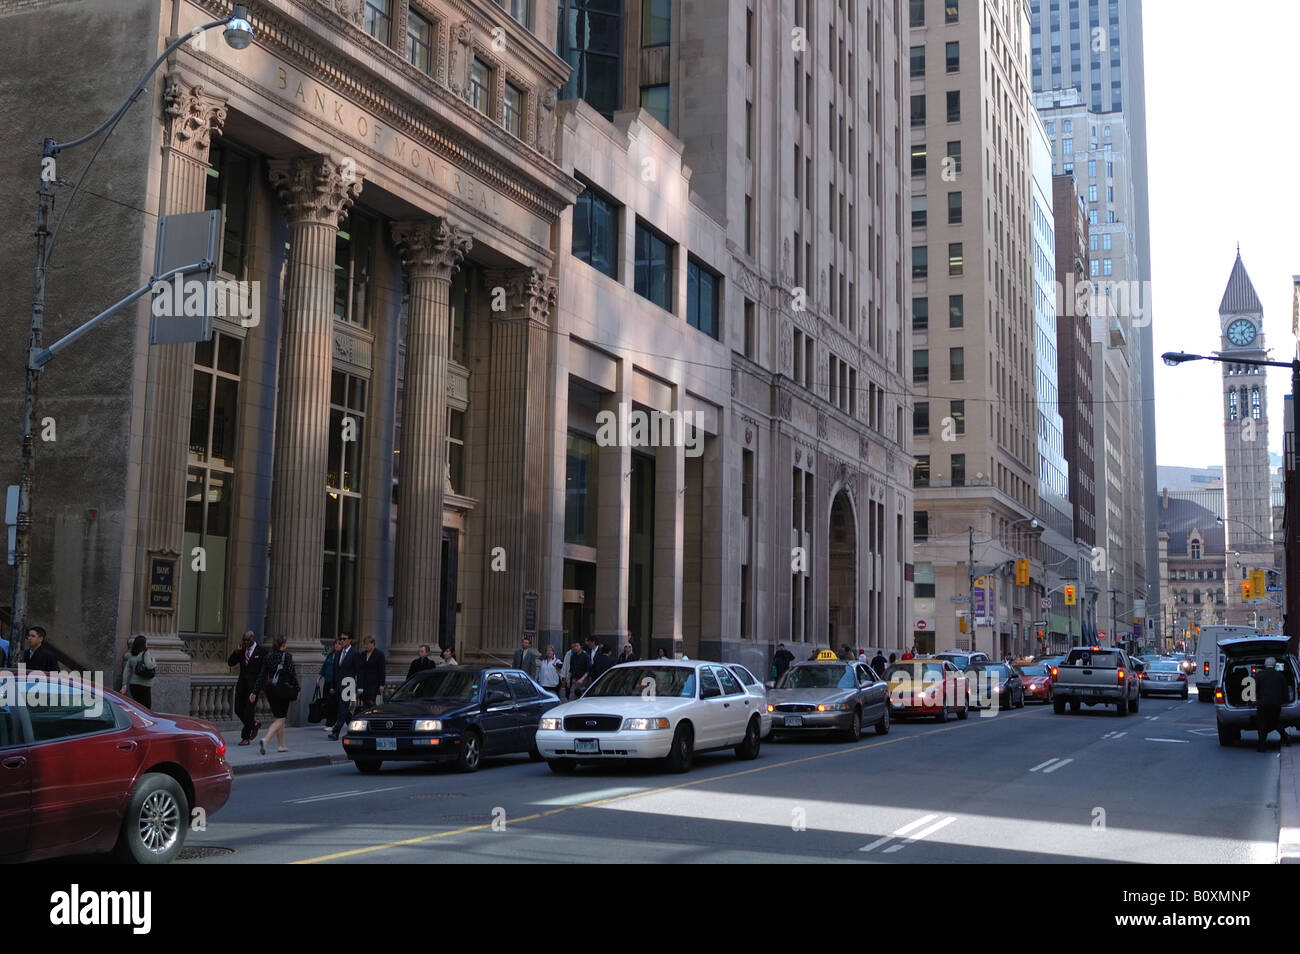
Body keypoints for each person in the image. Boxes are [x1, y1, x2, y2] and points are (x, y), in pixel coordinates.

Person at [255, 635, 298, 756]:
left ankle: (281, 745)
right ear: (283, 645)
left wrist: (255, 691)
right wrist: (297, 689)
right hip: (283, 689)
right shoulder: (287, 656)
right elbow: (292, 675)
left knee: (279, 717)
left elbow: (262, 675)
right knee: (280, 718)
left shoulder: (268, 656)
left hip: (271, 690)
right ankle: (266, 740)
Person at [227, 630, 265, 745]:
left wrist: (260, 688)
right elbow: (230, 663)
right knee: (238, 709)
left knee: (248, 711)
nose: (245, 642)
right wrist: (236, 652)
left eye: (247, 640)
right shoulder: (242, 650)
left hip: (253, 687)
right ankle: (253, 724)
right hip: (242, 685)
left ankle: (245, 737)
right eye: (244, 640)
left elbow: (263, 672)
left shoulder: (261, 652)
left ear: (252, 638)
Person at [1254, 656, 1290, 752]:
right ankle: (1285, 736)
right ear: (1274, 665)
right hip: (1276, 704)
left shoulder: (1259, 675)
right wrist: (1285, 701)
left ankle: (1261, 745)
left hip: (1263, 703)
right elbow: (1285, 690)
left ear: (1265, 664)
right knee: (1275, 721)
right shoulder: (1280, 676)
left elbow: (1253, 689)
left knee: (1262, 723)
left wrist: (1252, 700)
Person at [328, 632, 359, 740]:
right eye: (340, 638)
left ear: (350, 640)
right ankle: (356, 728)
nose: (342, 641)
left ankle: (335, 732)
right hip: (338, 685)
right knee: (344, 710)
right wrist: (332, 686)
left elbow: (358, 671)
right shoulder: (338, 653)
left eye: (344, 639)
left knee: (342, 708)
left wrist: (359, 687)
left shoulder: (355, 653)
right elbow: (335, 671)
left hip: (349, 684)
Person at [120, 635, 157, 708]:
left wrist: (124, 684)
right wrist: (154, 661)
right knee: (146, 709)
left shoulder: (132, 655)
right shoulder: (146, 653)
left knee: (137, 708)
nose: (147, 644)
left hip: (133, 685)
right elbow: (149, 665)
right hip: (144, 685)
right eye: (146, 642)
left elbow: (126, 671)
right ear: (143, 644)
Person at [317, 638, 342, 730]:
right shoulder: (330, 655)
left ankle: (332, 723)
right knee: (327, 702)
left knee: (333, 703)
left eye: (339, 644)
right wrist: (319, 677)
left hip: (335, 683)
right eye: (335, 644)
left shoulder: (342, 656)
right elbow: (324, 667)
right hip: (327, 682)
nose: (336, 645)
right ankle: (329, 722)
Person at [358, 635, 386, 707]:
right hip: (364, 684)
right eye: (364, 644)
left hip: (374, 684)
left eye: (367, 644)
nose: (365, 646)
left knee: (371, 703)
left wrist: (382, 684)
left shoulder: (379, 654)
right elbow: (361, 670)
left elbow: (382, 670)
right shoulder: (362, 654)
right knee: (364, 704)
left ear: (372, 643)